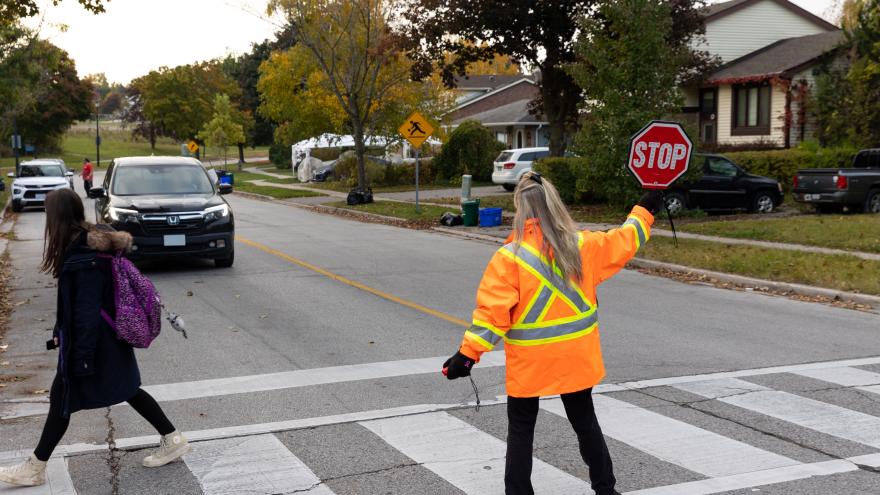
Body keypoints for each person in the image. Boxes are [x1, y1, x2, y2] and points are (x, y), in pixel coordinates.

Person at [443, 172, 664, 495]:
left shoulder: (509, 259)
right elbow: (625, 239)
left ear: (520, 209)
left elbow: (492, 317)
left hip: (530, 364)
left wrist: (467, 356)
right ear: (554, 204)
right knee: (585, 424)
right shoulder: (583, 246)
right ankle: (605, 488)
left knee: (521, 429)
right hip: (576, 358)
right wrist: (645, 208)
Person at [0, 189, 190, 488]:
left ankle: (35, 467)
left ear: (58, 217)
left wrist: (82, 357)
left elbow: (86, 311)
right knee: (126, 388)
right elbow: (76, 305)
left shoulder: (83, 254)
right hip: (104, 338)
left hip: (94, 342)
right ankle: (173, 438)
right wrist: (59, 331)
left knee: (64, 399)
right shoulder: (87, 245)